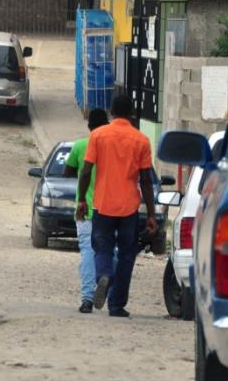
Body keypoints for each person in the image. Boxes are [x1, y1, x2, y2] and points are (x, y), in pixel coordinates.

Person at [75, 95, 156, 318]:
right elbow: (146, 180)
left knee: (102, 247)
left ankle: (104, 274)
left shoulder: (99, 135)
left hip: (102, 204)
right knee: (127, 255)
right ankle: (117, 305)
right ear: (131, 112)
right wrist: (150, 214)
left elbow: (86, 170)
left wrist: (82, 200)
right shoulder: (141, 140)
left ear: (111, 111)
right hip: (129, 207)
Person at [64, 108, 110, 314]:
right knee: (110, 251)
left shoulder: (81, 145)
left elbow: (68, 172)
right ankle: (106, 277)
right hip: (109, 209)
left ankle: (87, 299)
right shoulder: (113, 146)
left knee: (87, 253)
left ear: (89, 125)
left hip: (85, 211)